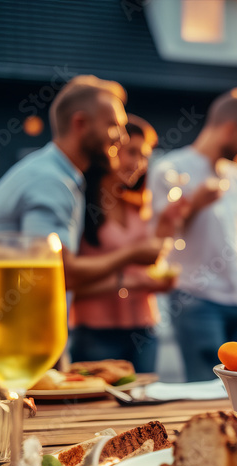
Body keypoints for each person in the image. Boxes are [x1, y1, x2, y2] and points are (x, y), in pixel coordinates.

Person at [0, 75, 164, 287]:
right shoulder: (50, 180)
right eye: (114, 125)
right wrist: (132, 254)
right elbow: (59, 273)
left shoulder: (59, 174)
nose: (122, 138)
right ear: (80, 124)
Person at [149, 88, 237, 381]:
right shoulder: (169, 169)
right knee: (208, 392)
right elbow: (159, 236)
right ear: (230, 129)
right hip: (197, 300)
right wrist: (194, 204)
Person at [69, 116, 184, 372]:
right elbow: (68, 281)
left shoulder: (139, 208)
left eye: (144, 156)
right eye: (131, 152)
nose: (139, 164)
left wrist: (161, 274)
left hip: (144, 329)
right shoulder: (80, 209)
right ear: (110, 149)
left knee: (144, 405)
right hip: (95, 331)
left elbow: (152, 264)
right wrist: (131, 281)